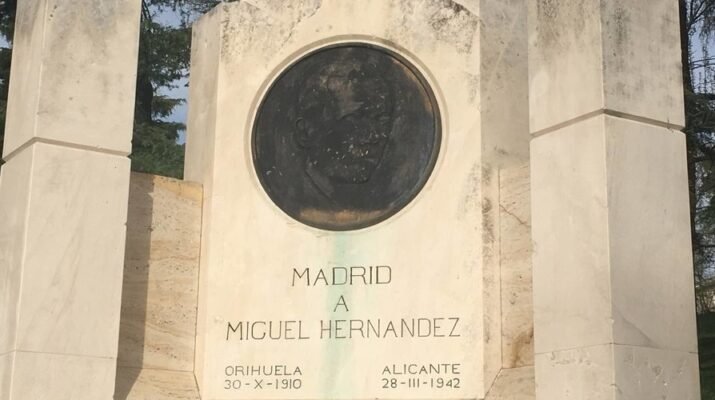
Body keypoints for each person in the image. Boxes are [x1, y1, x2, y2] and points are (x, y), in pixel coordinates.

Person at [293, 56, 395, 199]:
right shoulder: (295, 196)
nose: (375, 136)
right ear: (305, 132)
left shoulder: (384, 197)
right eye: (356, 120)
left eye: (382, 120)